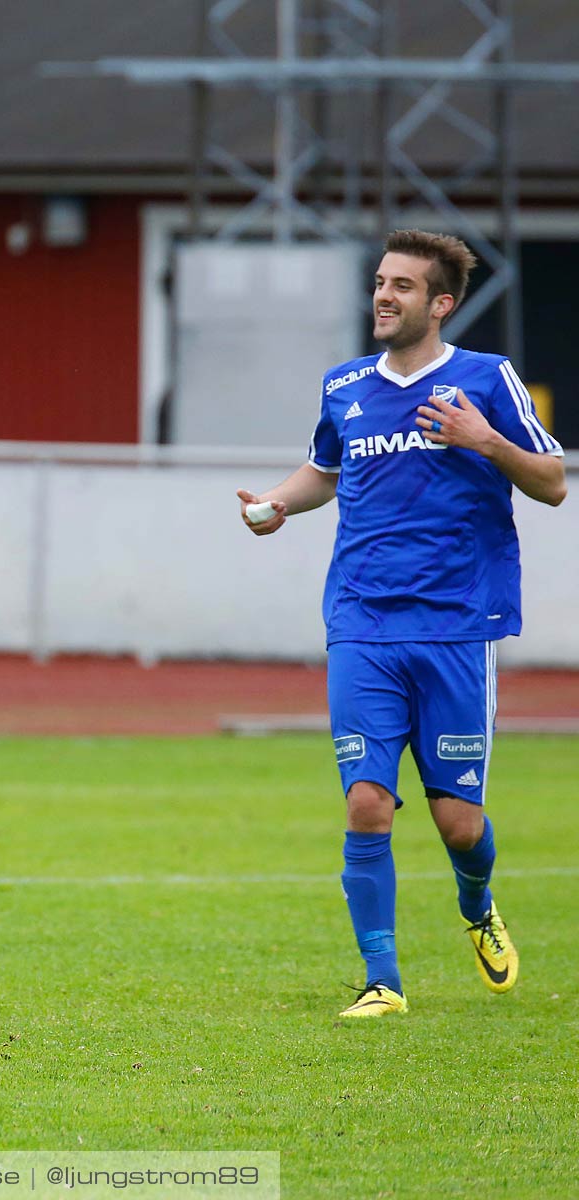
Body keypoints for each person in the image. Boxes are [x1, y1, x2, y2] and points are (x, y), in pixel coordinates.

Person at [238, 228, 565, 1019]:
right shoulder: (344, 384)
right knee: (365, 804)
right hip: (361, 622)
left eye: (403, 286)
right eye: (380, 282)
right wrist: (277, 503)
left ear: (442, 303)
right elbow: (323, 470)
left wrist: (482, 439)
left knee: (460, 825)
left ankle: (477, 906)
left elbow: (553, 482)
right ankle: (383, 981)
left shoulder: (488, 381)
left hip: (459, 625)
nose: (383, 295)